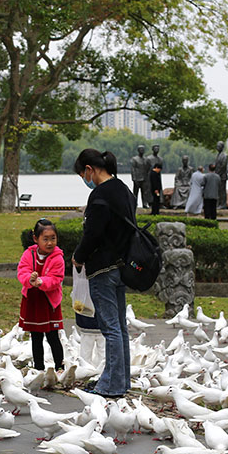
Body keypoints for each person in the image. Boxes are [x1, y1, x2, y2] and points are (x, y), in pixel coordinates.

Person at [72, 148, 136, 399]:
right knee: (119, 327)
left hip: (103, 268)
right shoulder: (124, 190)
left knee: (110, 328)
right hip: (122, 267)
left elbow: (93, 235)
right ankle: (120, 379)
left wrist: (78, 255)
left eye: (82, 175)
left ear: (89, 169)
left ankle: (111, 385)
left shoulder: (100, 195)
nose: (85, 181)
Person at [17, 219, 65, 372]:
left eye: (53, 238)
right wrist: (29, 280)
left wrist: (41, 282)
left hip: (49, 302)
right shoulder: (28, 254)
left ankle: (60, 367)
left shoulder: (58, 257)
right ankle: (39, 369)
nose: (50, 243)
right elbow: (22, 272)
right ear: (35, 239)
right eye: (45, 239)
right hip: (32, 300)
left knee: (52, 335)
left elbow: (56, 279)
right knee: (36, 336)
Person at [214, 141, 228, 210]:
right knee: (218, 191)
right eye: (217, 146)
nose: (217, 148)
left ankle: (223, 204)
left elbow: (223, 166)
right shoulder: (218, 155)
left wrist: (217, 174)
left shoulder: (225, 156)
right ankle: (218, 203)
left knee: (222, 190)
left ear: (222, 147)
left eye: (218, 146)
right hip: (217, 175)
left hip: (222, 176)